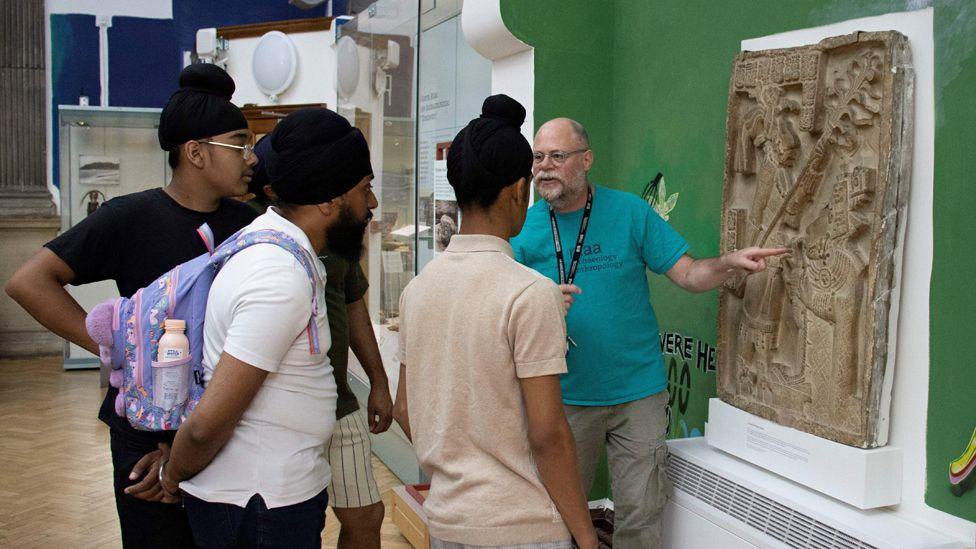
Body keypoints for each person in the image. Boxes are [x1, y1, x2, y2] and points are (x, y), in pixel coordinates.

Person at [4, 64, 258, 548]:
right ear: (196, 152)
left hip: (221, 422)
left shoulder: (247, 223)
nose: (251, 158)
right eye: (240, 143)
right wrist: (119, 348)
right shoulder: (130, 216)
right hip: (144, 424)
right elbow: (29, 281)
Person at [510, 118, 786, 549]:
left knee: (641, 519)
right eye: (539, 157)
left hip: (637, 393)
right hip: (562, 397)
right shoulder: (523, 228)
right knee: (557, 518)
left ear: (586, 160)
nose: (545, 167)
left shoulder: (630, 213)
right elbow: (504, 309)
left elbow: (690, 273)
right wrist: (541, 304)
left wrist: (730, 262)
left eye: (558, 156)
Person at [159, 107, 378, 548]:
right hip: (257, 507)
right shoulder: (277, 276)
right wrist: (171, 476)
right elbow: (209, 424)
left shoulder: (287, 252)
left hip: (271, 499)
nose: (371, 204)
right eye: (364, 189)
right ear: (330, 199)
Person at [393, 96, 599, 549]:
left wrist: (457, 468)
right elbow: (547, 435)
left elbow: (403, 409)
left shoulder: (417, 291)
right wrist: (585, 535)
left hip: (447, 520)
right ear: (516, 192)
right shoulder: (529, 292)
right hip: (522, 526)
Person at [247, 135, 394, 549]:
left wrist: (379, 382)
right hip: (281, 412)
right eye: (365, 188)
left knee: (366, 514)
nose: (373, 203)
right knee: (293, 523)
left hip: (339, 402)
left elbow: (354, 306)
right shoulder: (262, 237)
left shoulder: (339, 234)